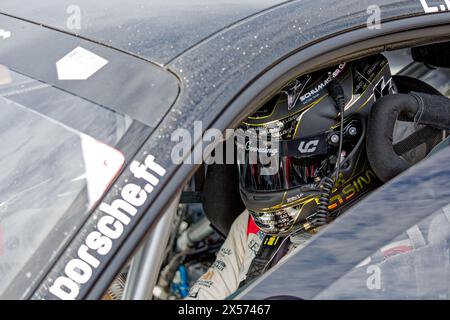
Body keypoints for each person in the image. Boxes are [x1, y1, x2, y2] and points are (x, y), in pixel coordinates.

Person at [187, 53, 450, 300]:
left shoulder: (407, 243)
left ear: (345, 147)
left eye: (292, 163)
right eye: (259, 162)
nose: (267, 175)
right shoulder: (252, 225)